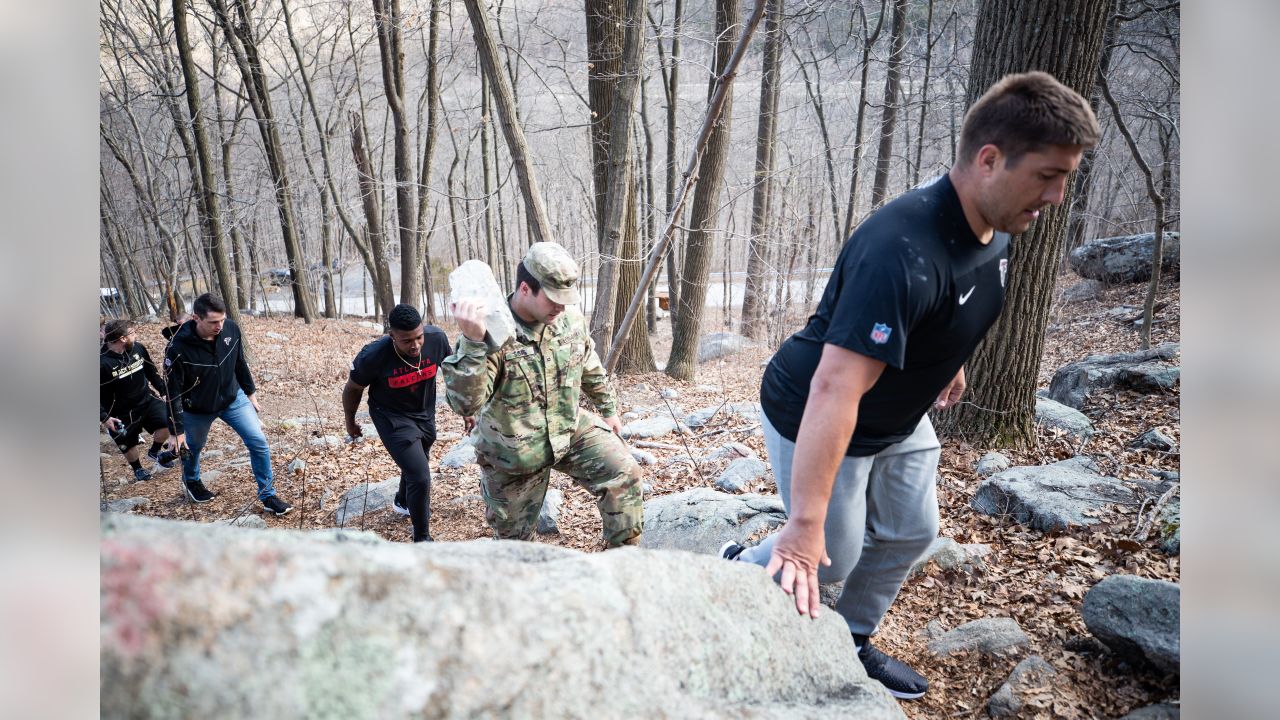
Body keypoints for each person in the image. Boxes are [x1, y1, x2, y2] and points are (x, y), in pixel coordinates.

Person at [718, 71, 1100, 700]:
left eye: (1065, 177)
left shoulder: (997, 218)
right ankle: (737, 572)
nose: (1057, 195)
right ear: (989, 160)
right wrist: (807, 521)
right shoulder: (900, 249)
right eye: (1048, 175)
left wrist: (947, 356)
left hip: (899, 411)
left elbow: (956, 300)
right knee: (826, 550)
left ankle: (850, 638)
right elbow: (834, 388)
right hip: (817, 407)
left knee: (911, 531)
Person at [442, 242, 643, 548]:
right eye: (553, 299)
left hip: (566, 428)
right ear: (525, 289)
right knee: (516, 547)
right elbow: (465, 403)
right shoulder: (492, 333)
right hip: (514, 454)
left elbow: (588, 362)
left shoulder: (568, 319)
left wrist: (608, 408)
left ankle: (623, 564)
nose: (560, 307)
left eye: (566, 299)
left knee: (624, 473)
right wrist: (473, 343)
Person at [163, 293, 292, 515]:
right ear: (196, 318)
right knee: (193, 447)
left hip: (233, 398)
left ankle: (268, 495)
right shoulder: (177, 348)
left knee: (258, 441)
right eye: (213, 322)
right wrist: (176, 430)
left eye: (222, 320)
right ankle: (192, 481)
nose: (220, 326)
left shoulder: (231, 329)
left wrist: (250, 393)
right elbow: (171, 391)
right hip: (197, 407)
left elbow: (239, 362)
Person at [342, 304, 456, 542]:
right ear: (391, 335)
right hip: (390, 417)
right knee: (421, 474)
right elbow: (353, 388)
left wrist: (467, 409)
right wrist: (350, 421)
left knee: (419, 458)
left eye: (418, 337)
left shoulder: (436, 339)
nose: (415, 345)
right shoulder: (373, 355)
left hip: (424, 411)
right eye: (406, 341)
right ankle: (422, 539)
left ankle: (403, 501)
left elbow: (454, 373)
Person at [100, 319, 178, 482]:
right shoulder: (101, 362)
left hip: (146, 399)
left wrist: (164, 391)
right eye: (132, 333)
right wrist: (104, 418)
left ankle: (154, 451)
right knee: (128, 444)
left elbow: (151, 372)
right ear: (122, 338)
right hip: (119, 412)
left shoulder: (138, 348)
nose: (136, 336)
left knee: (168, 421)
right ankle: (138, 469)